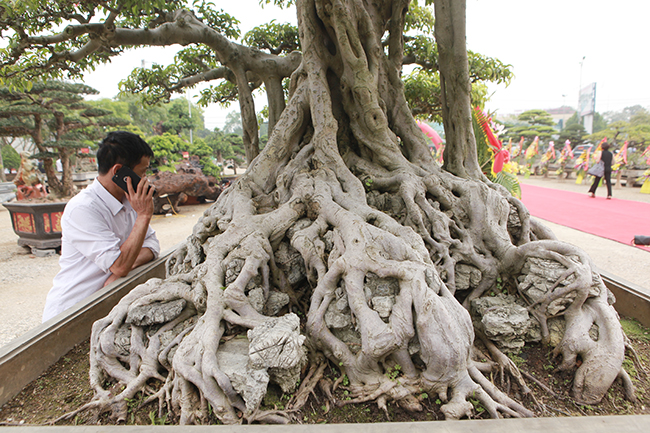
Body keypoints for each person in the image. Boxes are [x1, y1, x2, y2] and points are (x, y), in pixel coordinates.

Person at [42, 131, 160, 322]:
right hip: (72, 312)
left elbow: (152, 246)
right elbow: (120, 265)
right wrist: (144, 215)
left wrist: (124, 267)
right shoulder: (83, 209)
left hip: (106, 303)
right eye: (142, 173)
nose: (145, 180)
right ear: (119, 172)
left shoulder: (130, 201)